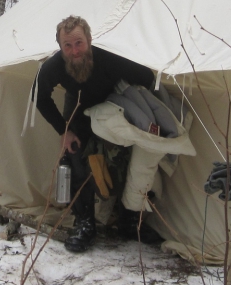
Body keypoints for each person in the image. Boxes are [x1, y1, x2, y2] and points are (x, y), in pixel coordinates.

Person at [34, 15, 160, 252]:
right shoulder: (55, 65)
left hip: (112, 106)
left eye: (79, 43)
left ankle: (129, 219)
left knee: (127, 160)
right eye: (67, 46)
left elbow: (147, 76)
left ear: (90, 40)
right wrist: (64, 131)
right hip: (79, 108)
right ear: (60, 47)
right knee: (76, 158)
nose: (74, 51)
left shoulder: (108, 57)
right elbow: (40, 98)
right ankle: (85, 223)